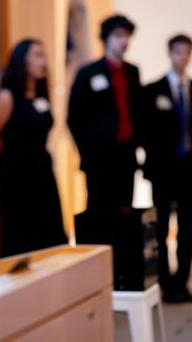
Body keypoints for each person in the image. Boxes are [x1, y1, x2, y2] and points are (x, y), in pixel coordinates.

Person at [0, 38, 67, 257]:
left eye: (44, 55)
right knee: (20, 239)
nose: (44, 61)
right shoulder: (6, 97)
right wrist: (0, 168)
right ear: (22, 60)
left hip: (43, 174)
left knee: (51, 236)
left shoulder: (41, 95)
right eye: (38, 55)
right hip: (15, 179)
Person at [67, 14, 141, 255]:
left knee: (125, 213)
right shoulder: (89, 72)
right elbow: (74, 118)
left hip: (126, 158)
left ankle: (123, 270)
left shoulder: (132, 72)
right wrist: (88, 152)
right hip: (99, 160)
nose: (124, 41)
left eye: (127, 36)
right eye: (118, 36)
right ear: (106, 39)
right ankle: (99, 272)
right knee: (99, 214)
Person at [141, 34, 192, 303]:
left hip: (189, 168)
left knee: (189, 226)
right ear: (170, 53)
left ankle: (183, 281)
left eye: (188, 52)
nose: (183, 57)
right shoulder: (153, 90)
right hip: (163, 170)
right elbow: (146, 131)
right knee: (162, 227)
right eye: (179, 52)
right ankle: (165, 283)